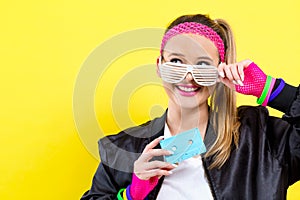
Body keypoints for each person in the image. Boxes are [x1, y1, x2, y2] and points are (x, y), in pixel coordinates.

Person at [81, 14, 300, 200]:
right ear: (159, 65)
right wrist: (131, 195)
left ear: (219, 72)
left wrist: (273, 90)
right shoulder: (121, 149)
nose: (188, 76)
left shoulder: (260, 137)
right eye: (176, 61)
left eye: (203, 65)